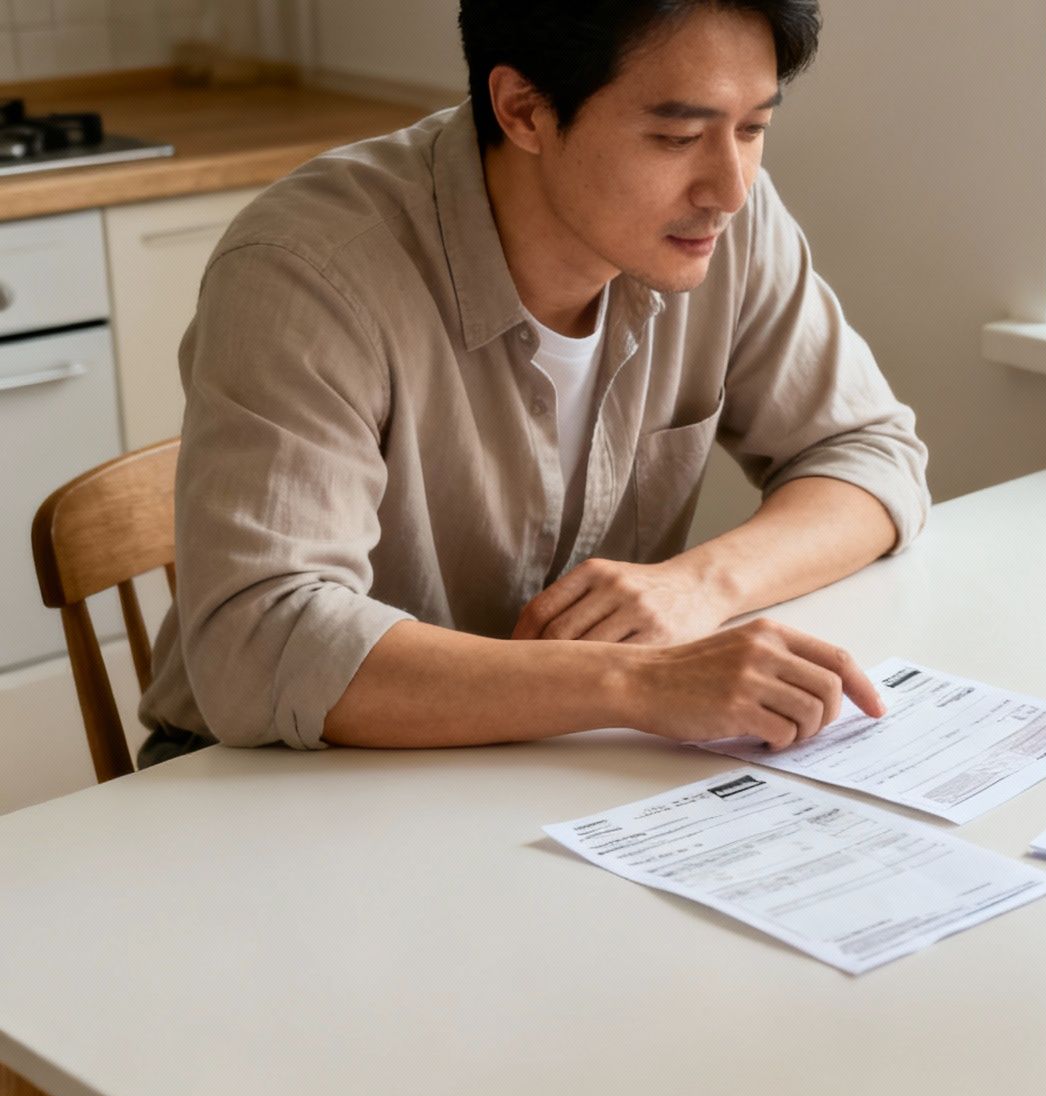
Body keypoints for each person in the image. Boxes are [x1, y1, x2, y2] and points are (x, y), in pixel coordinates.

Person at [137, 0, 930, 765]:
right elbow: (260, 643)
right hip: (277, 784)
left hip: (542, 763)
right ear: (522, 110)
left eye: (755, 127)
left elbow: (870, 452)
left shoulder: (725, 227)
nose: (729, 187)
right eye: (676, 134)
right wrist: (633, 682)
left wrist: (701, 585)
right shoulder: (308, 272)